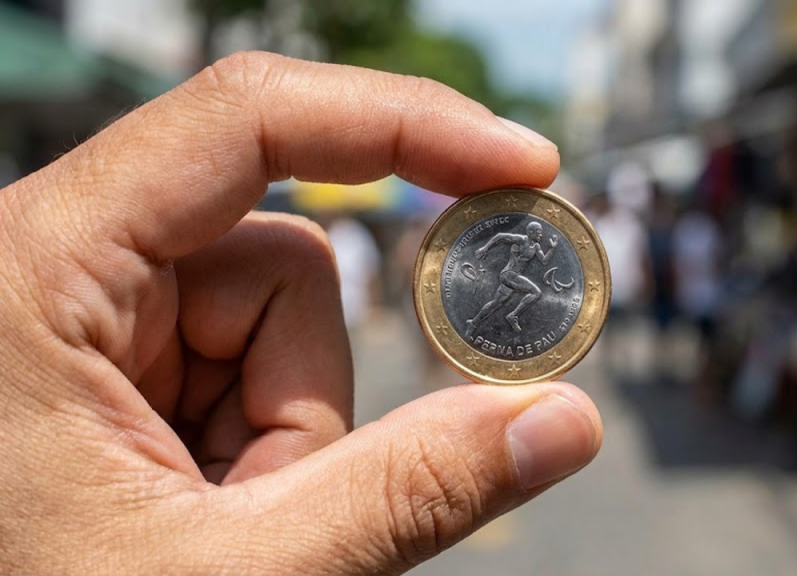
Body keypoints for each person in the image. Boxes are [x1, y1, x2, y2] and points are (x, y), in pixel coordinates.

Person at [0, 52, 601, 573]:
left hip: (421, 300)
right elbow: (494, 246)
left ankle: (504, 313)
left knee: (517, 296)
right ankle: (500, 312)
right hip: (408, 300)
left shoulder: (537, 247)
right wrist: (482, 261)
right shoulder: (512, 244)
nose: (546, 243)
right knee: (506, 297)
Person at [467, 221, 558, 335]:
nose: (541, 235)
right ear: (531, 232)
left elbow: (544, 261)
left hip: (512, 278)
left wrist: (552, 248)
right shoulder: (521, 240)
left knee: (495, 303)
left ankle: (474, 322)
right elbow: (500, 236)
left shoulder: (536, 246)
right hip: (509, 274)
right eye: (539, 232)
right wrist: (485, 248)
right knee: (536, 292)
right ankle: (513, 315)